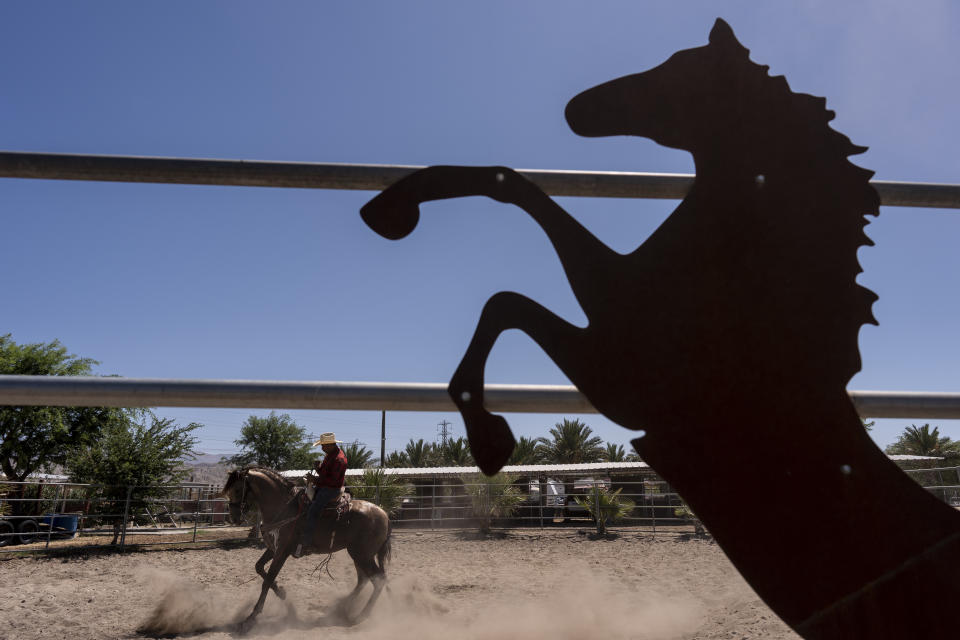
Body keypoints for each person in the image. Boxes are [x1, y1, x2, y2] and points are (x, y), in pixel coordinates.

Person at [293, 432, 348, 558]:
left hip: (331, 489)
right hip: (325, 486)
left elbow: (332, 481)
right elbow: (325, 474)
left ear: (330, 444)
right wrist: (318, 469)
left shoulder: (339, 459)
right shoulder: (330, 455)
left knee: (313, 511)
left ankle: (307, 543)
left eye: (323, 446)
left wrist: (314, 480)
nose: (322, 448)